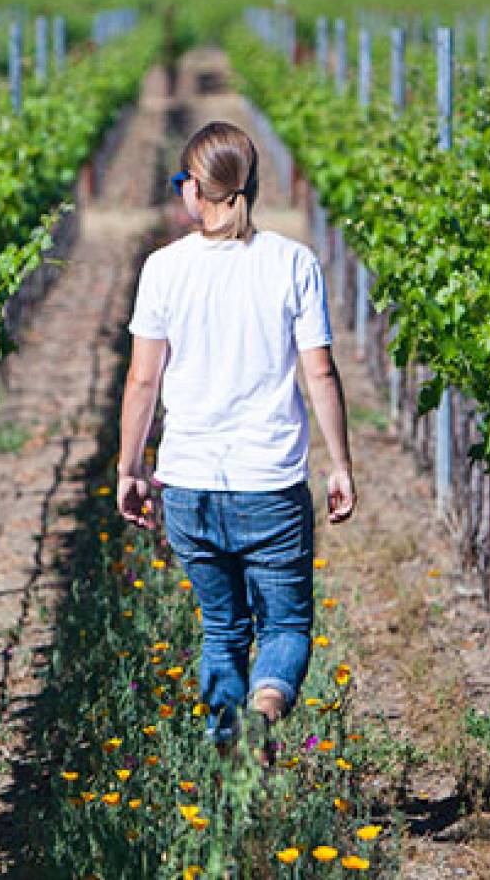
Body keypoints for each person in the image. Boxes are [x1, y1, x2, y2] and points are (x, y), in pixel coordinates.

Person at [116, 120, 358, 758]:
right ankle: (265, 712)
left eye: (182, 182)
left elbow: (143, 379)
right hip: (270, 483)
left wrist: (130, 468)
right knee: (285, 624)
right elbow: (320, 371)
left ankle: (229, 749)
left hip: (192, 483)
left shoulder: (163, 269)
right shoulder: (292, 263)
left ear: (197, 190)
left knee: (223, 629)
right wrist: (340, 465)